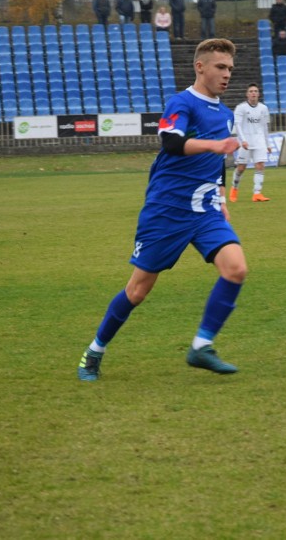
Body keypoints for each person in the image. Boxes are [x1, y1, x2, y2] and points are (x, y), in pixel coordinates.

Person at [78, 38, 244, 381]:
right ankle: (94, 352)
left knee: (236, 269)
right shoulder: (182, 103)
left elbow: (219, 163)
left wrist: (222, 197)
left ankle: (201, 346)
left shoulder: (226, 115)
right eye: (220, 67)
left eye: (230, 69)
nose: (227, 75)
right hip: (167, 210)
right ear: (200, 67)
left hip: (206, 210)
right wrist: (214, 145)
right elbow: (170, 141)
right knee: (138, 290)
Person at [231, 83, 272, 203]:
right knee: (241, 168)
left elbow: (264, 127)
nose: (253, 93)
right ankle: (234, 188)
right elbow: (237, 125)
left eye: (255, 91)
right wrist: (242, 140)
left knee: (260, 165)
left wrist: (268, 144)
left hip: (259, 141)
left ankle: (257, 193)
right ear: (247, 94)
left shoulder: (263, 108)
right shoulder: (241, 108)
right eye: (251, 91)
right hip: (246, 142)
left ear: (258, 94)